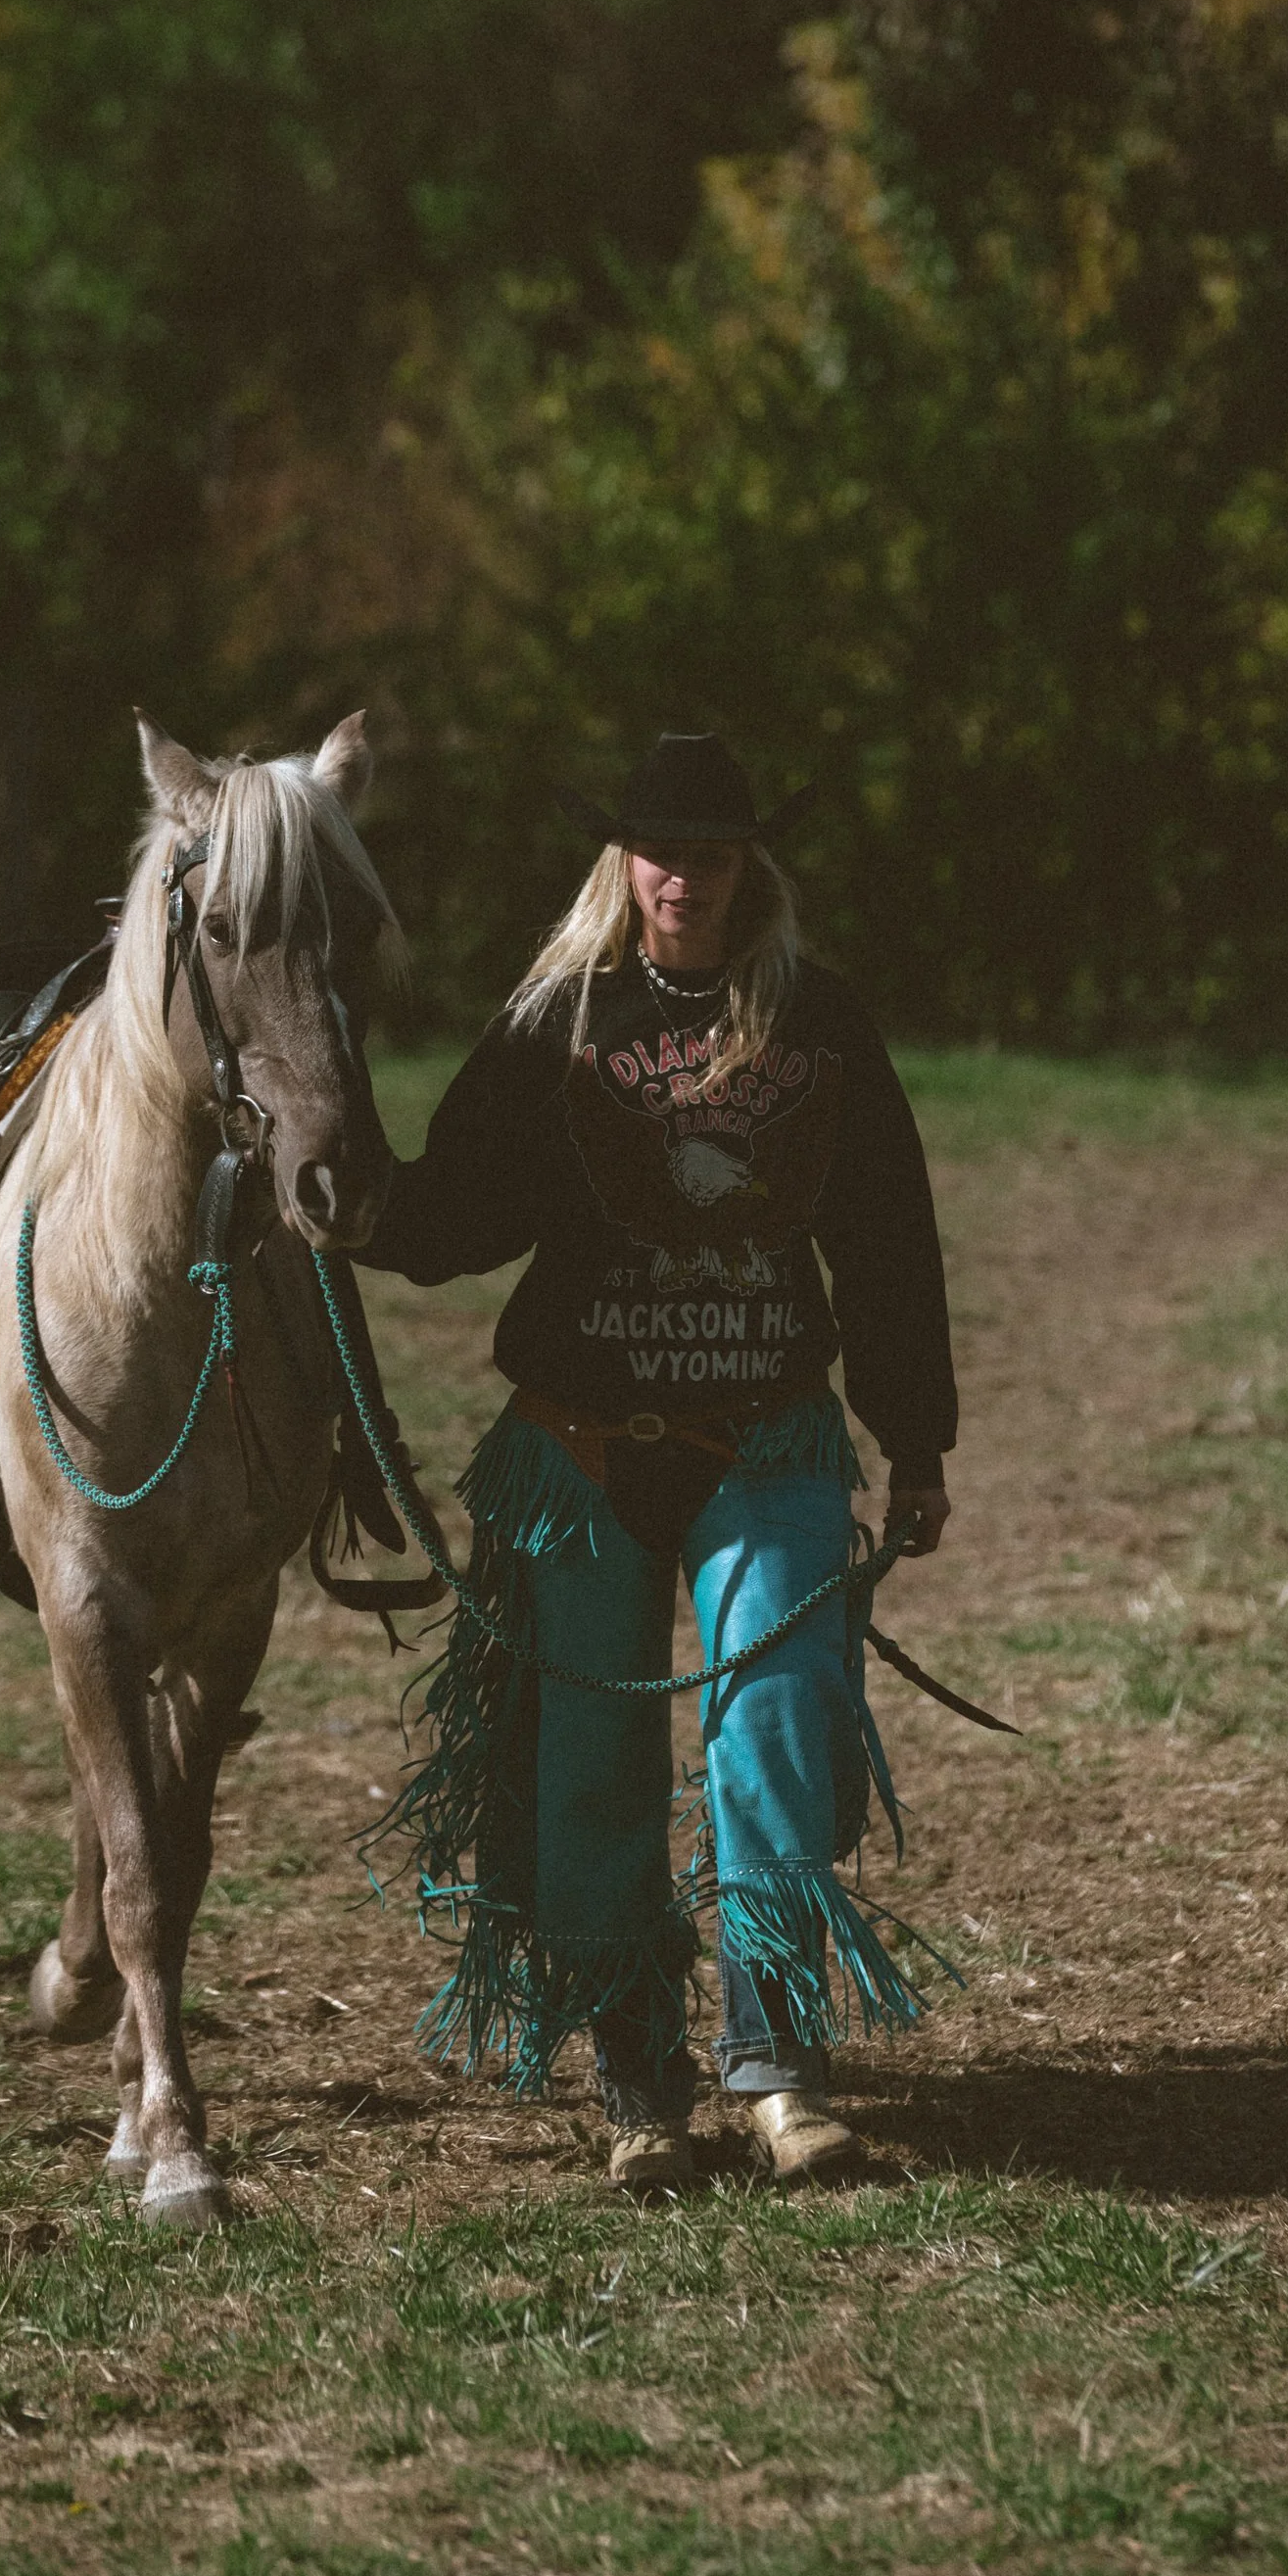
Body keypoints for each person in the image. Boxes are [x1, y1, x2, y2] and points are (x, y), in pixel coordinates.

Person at [361, 730, 956, 2195]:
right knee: (588, 1773)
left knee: (779, 1734)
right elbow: (459, 1213)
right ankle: (639, 2080)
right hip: (580, 1450)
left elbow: (885, 1231)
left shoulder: (818, 1019)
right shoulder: (554, 1020)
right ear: (621, 862)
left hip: (769, 1437)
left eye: (710, 853)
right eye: (658, 851)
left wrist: (915, 1434)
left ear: (751, 865)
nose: (681, 876)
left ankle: (780, 2069)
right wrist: (338, 1184)